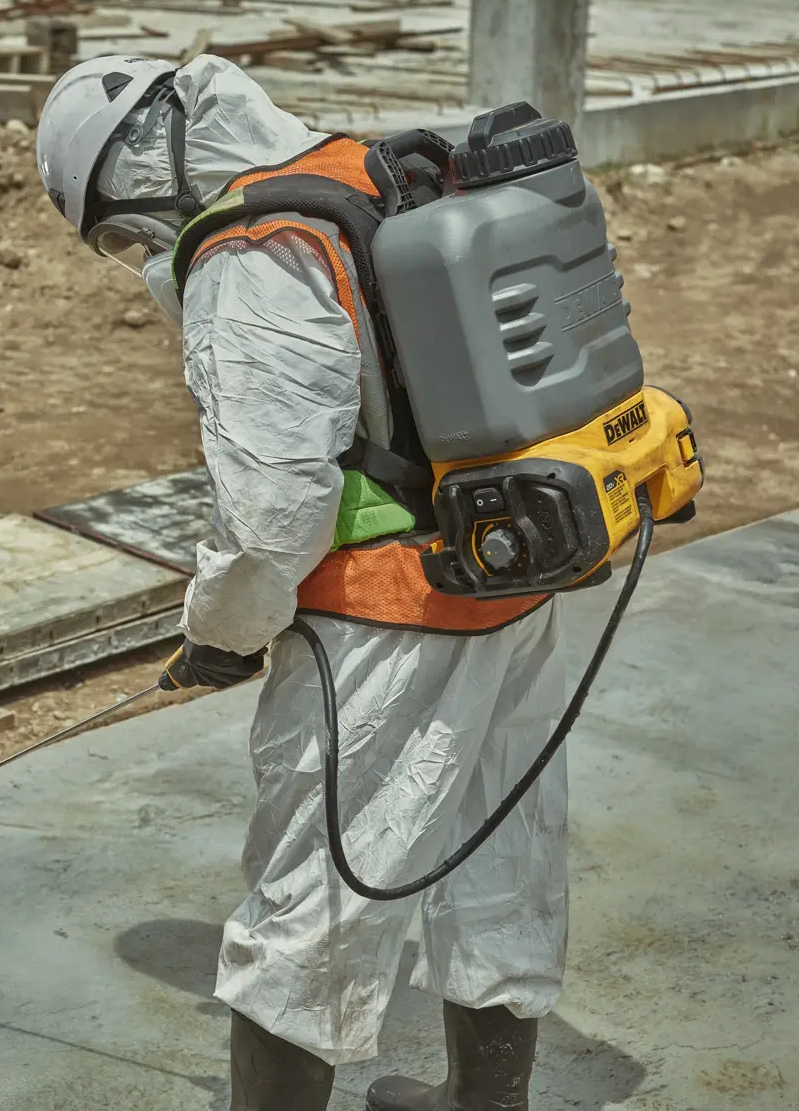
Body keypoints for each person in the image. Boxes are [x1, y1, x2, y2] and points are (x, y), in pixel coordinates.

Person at [35, 54, 570, 1111]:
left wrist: (222, 628)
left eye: (119, 229)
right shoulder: (363, 171)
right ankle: (486, 1104)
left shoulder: (250, 246)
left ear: (144, 165)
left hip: (381, 622)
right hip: (509, 574)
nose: (137, 252)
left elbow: (275, 507)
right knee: (502, 854)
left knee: (310, 908)